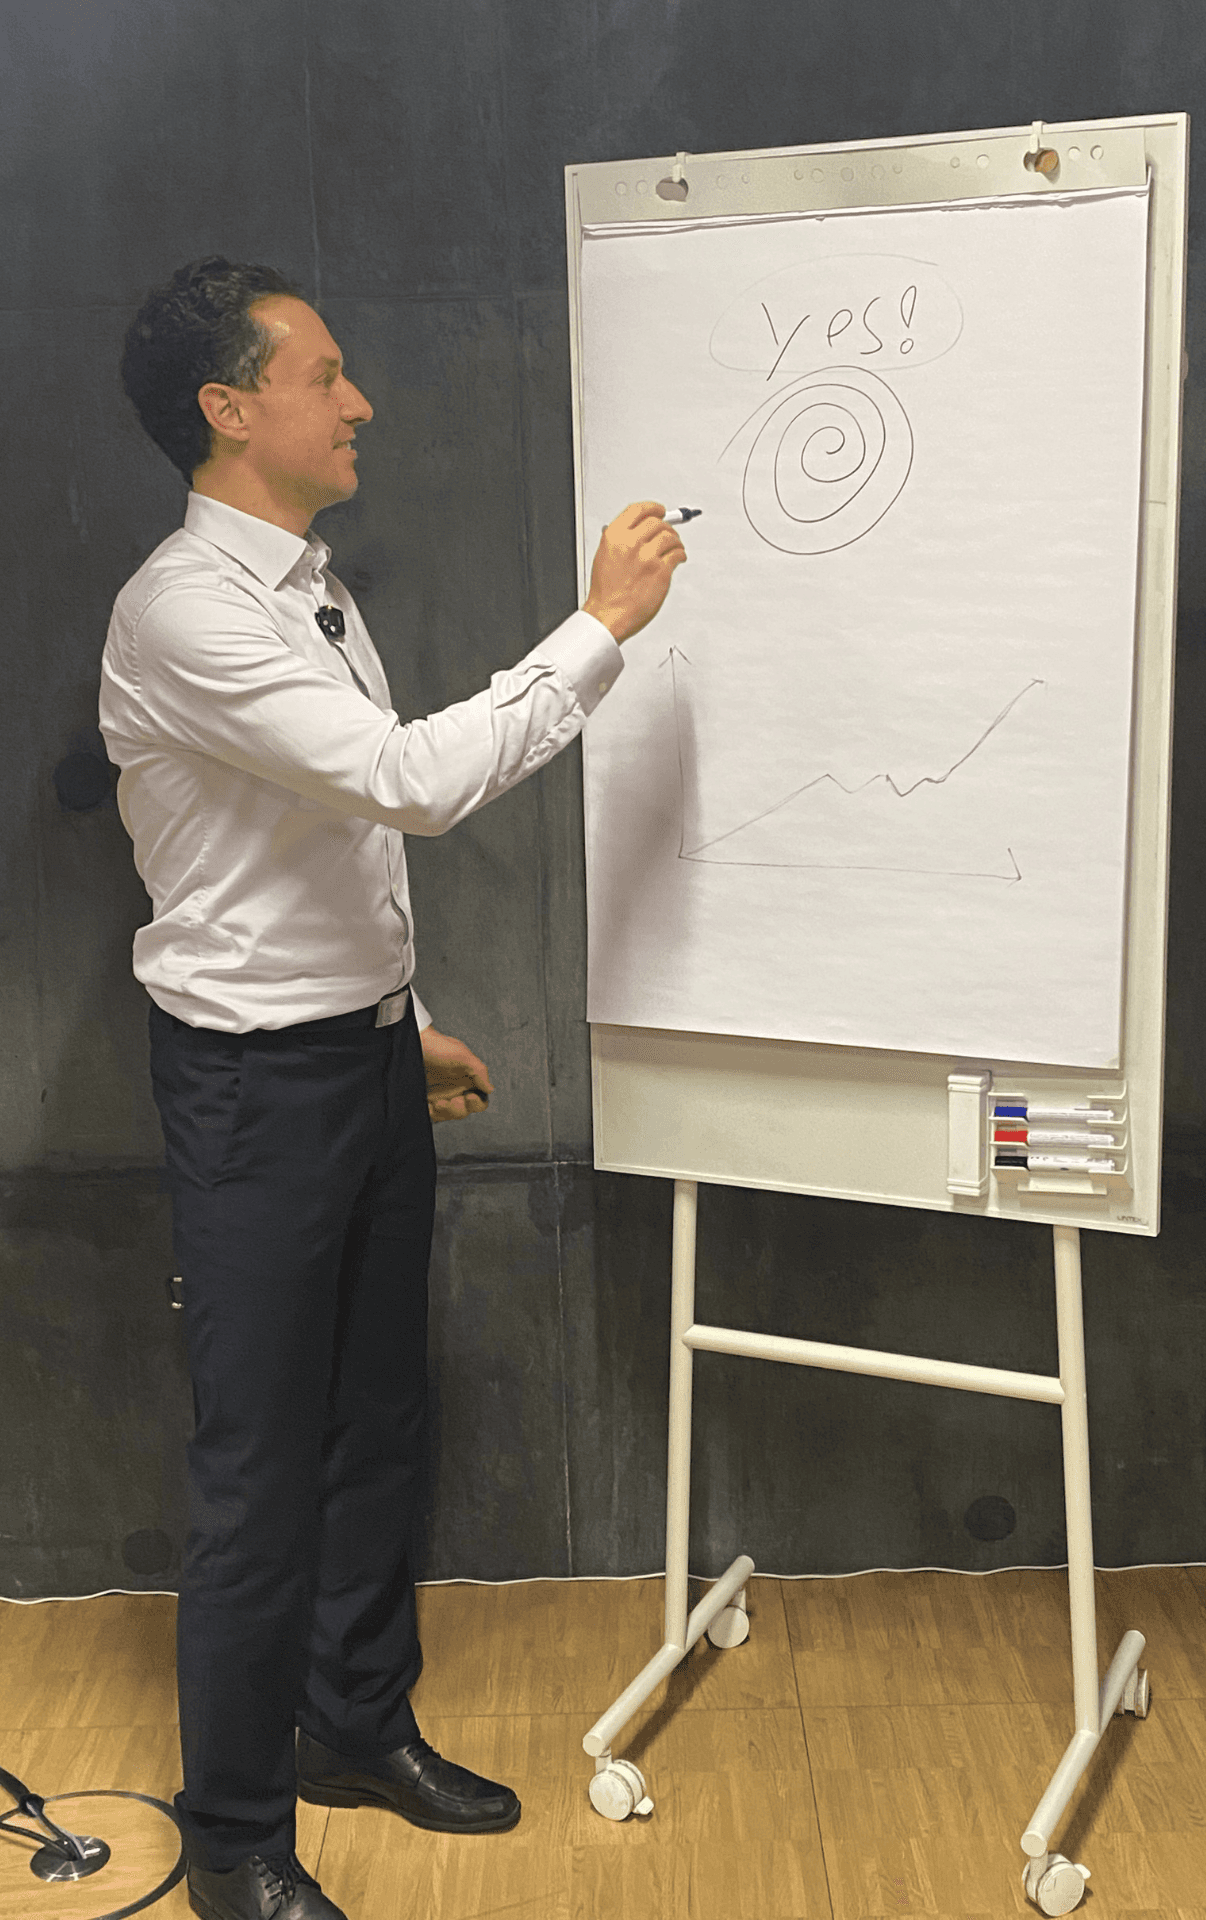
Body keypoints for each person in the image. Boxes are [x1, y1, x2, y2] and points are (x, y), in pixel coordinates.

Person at [100, 256, 685, 1920]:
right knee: (258, 1473)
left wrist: (394, 1015)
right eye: (326, 376)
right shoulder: (185, 609)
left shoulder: (311, 587)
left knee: (378, 1423)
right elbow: (409, 782)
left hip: (352, 1062)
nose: (359, 402)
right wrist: (601, 627)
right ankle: (232, 1845)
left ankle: (351, 1730)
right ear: (229, 409)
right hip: (251, 1096)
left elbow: (316, 841)